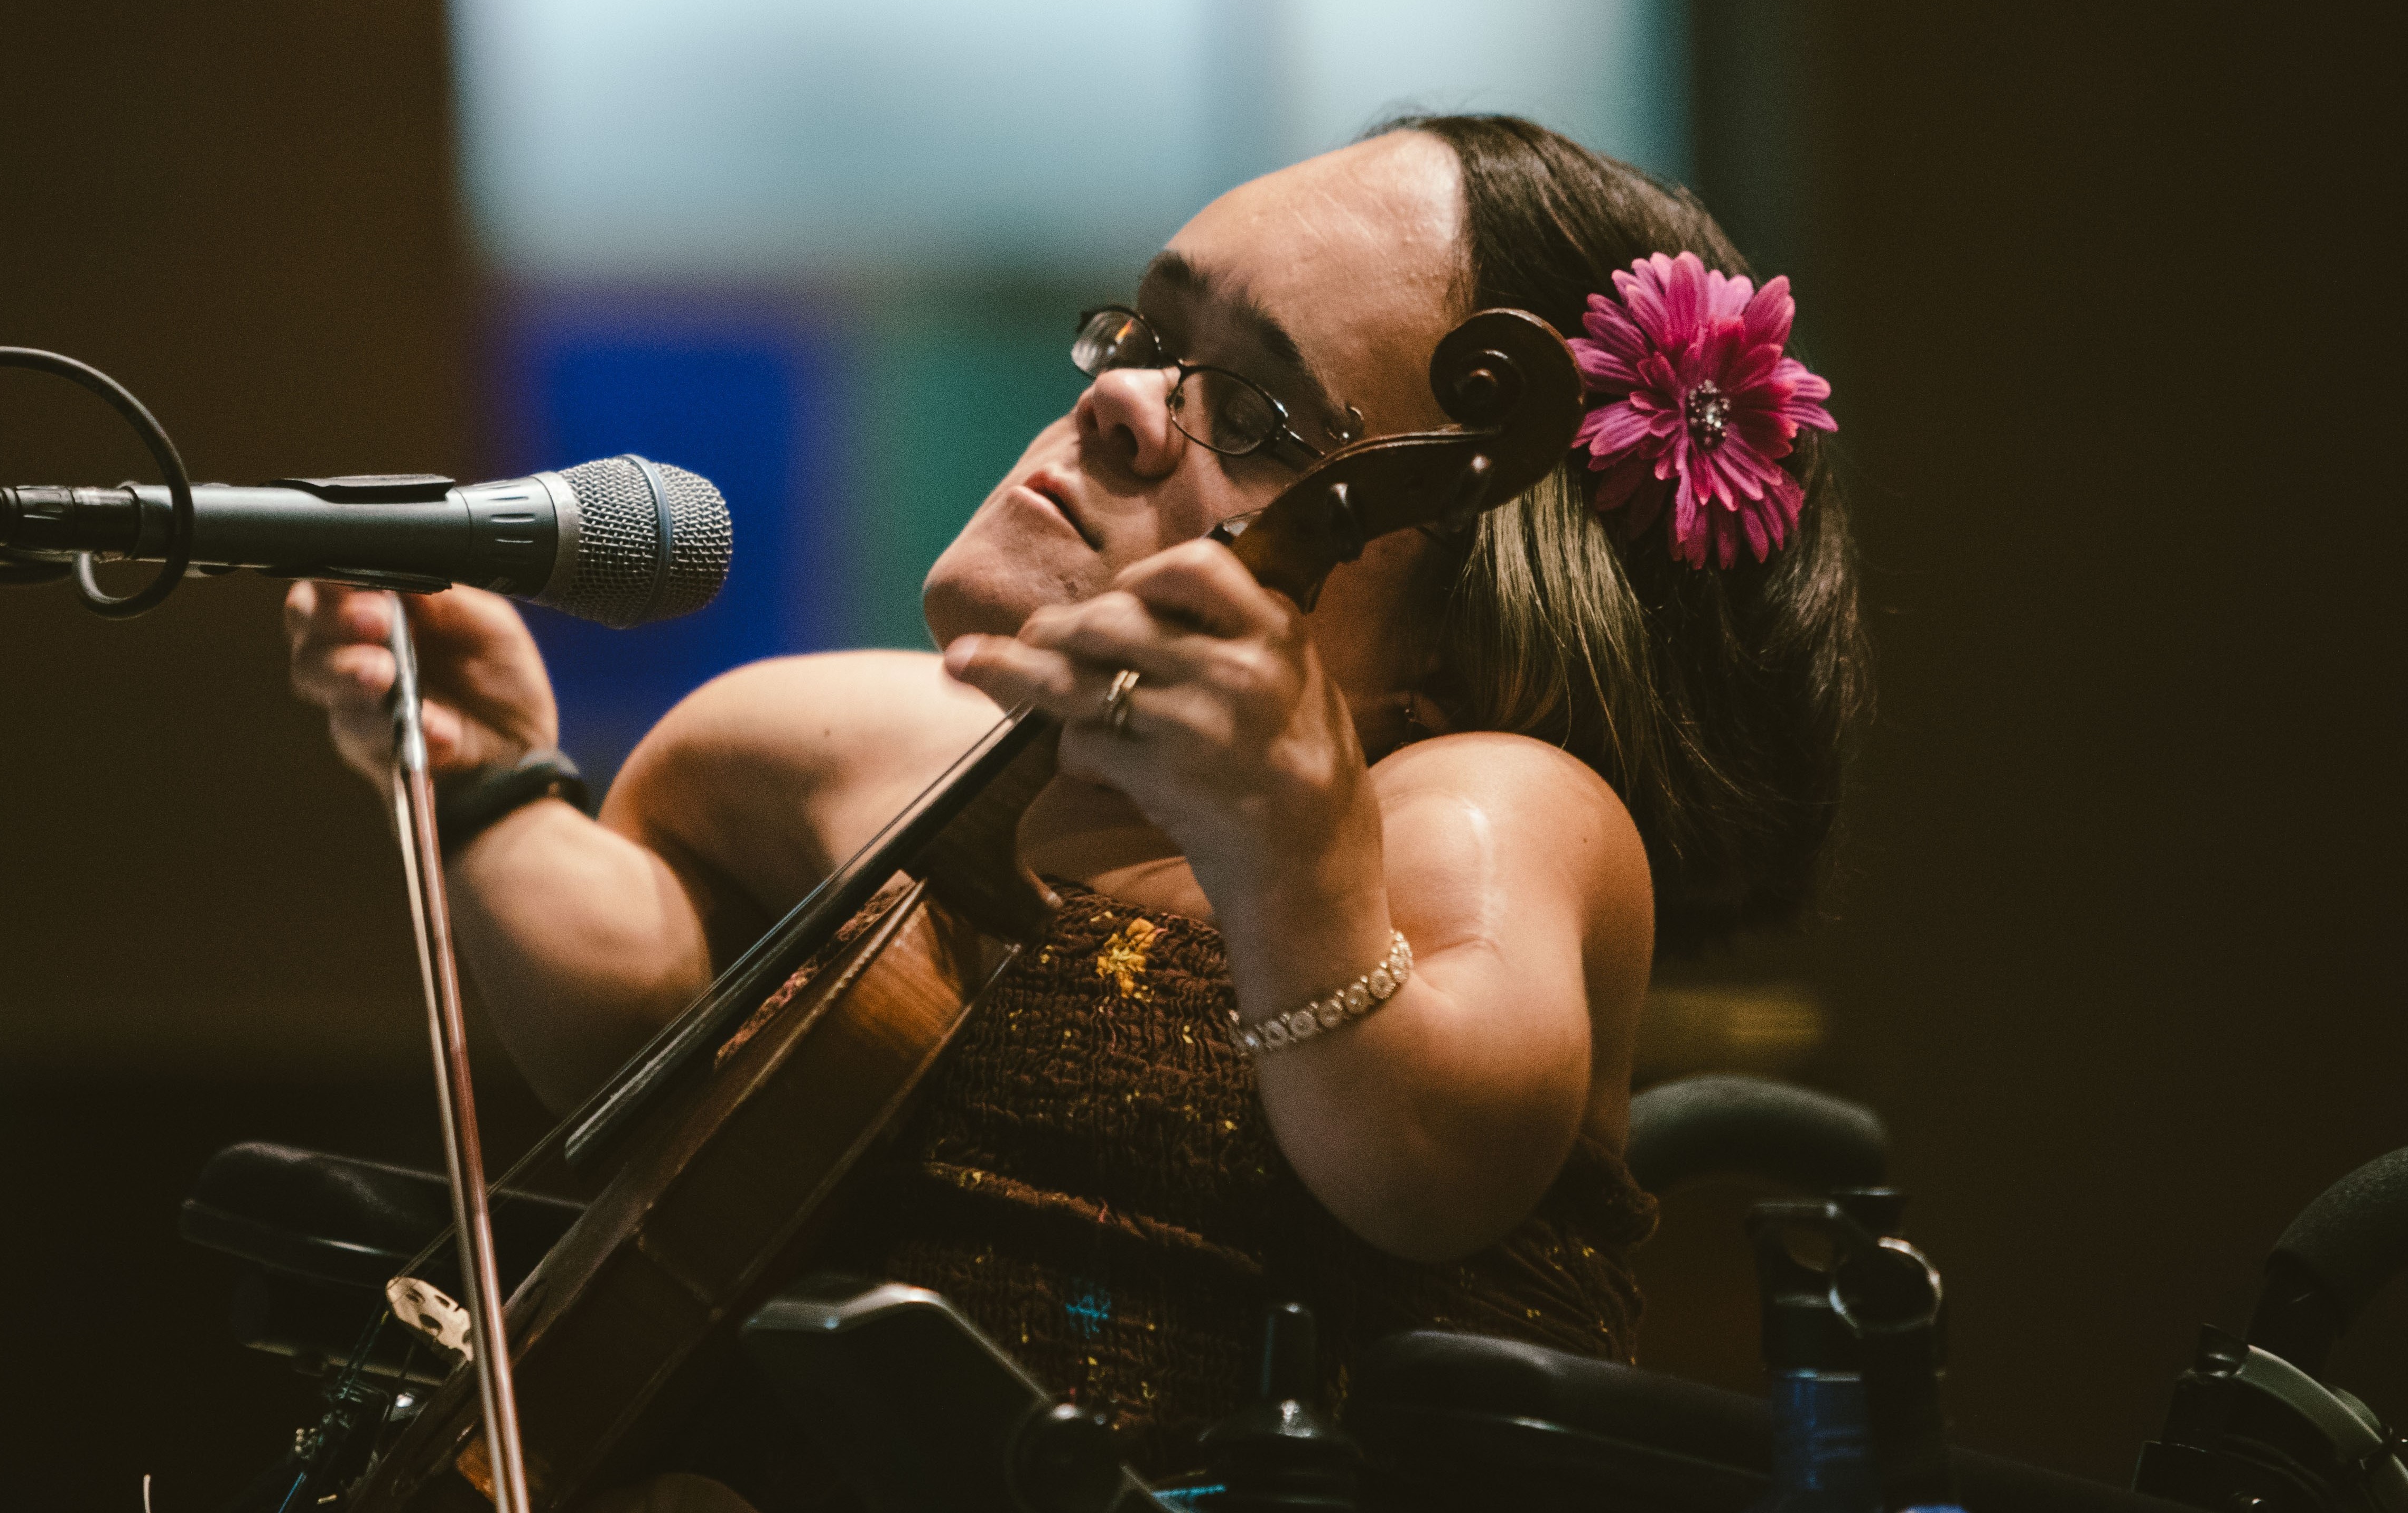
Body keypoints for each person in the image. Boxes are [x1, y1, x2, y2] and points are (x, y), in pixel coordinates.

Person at [283, 115, 1865, 1508]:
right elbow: (648, 1030)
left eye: (1254, 421)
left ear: (1460, 639)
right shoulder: (854, 743)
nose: (1121, 402)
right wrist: (497, 787)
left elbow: (1425, 1161)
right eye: (1146, 333)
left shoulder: (1479, 813)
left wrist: (1284, 829)